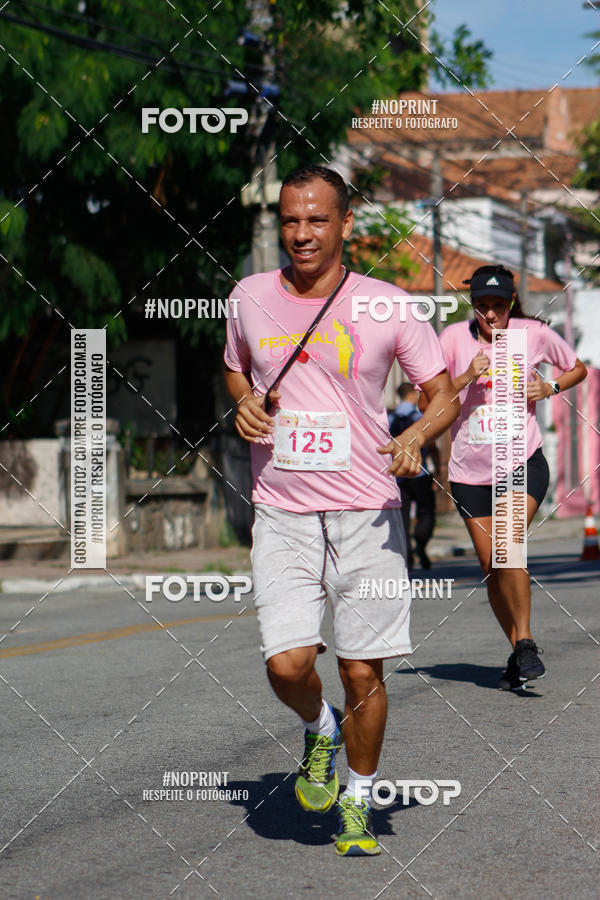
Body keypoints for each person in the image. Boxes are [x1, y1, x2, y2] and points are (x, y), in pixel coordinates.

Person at [223, 164, 459, 856]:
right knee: (287, 665)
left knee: (363, 669)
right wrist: (241, 397)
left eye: (317, 219)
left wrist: (415, 434)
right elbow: (237, 366)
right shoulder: (247, 297)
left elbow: (440, 390)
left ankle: (358, 801)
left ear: (345, 224)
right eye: (291, 220)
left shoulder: (387, 305)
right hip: (283, 510)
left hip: (367, 511)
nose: (301, 233)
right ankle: (320, 728)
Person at [432, 264, 587, 692]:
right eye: (482, 306)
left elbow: (577, 368)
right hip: (469, 473)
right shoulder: (452, 340)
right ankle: (518, 648)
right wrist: (467, 376)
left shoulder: (532, 335)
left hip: (521, 462)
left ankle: (527, 641)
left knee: (508, 546)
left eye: (498, 306)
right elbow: (432, 393)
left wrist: (550, 388)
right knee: (490, 568)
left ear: (511, 303)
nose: (490, 315)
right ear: (472, 305)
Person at [389, 383, 438, 570]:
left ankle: (407, 557)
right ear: (412, 394)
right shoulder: (419, 418)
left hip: (398, 476)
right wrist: (438, 470)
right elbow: (431, 445)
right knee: (427, 513)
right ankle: (421, 541)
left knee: (402, 518)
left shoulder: (390, 418)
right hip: (420, 473)